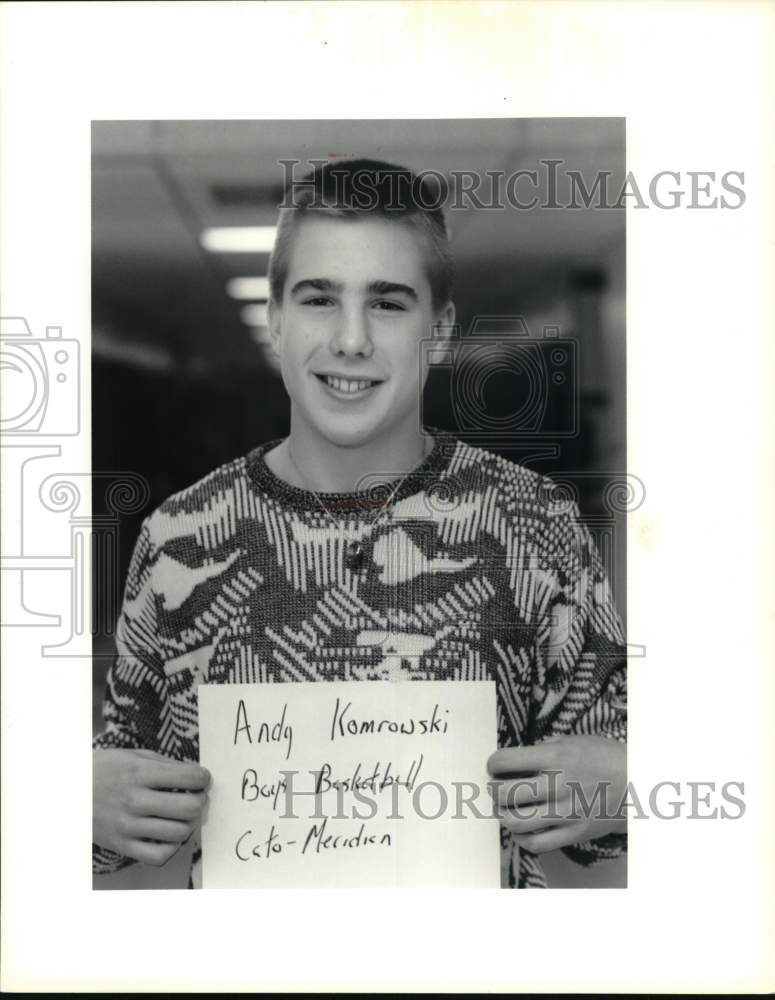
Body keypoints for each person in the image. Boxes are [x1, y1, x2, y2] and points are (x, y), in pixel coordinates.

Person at [93, 158, 627, 889]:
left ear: (438, 331)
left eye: (387, 304)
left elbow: (606, 820)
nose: (351, 339)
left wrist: (626, 781)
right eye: (319, 298)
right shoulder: (179, 538)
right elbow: (118, 826)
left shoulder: (535, 524)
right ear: (275, 319)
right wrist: (76, 797)